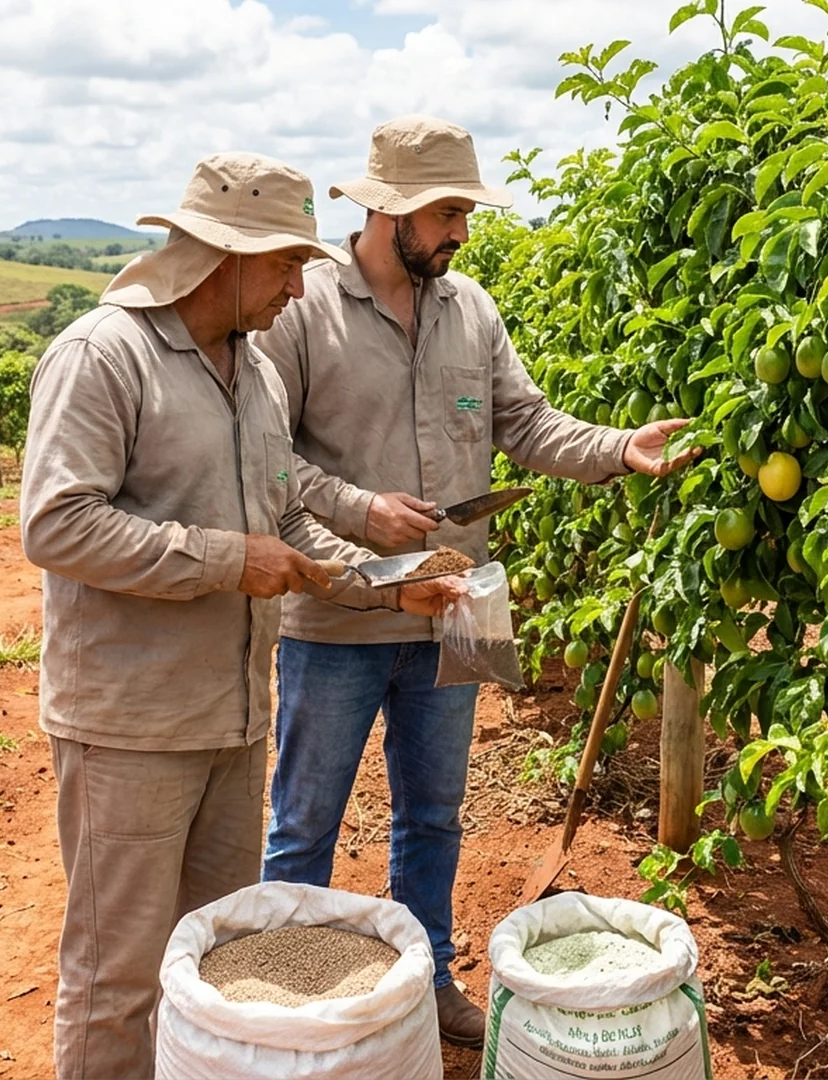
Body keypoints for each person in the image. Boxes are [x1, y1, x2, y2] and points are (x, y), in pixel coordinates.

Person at [253, 115, 694, 1048]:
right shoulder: (303, 311)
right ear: (389, 208)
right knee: (306, 822)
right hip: (338, 614)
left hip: (458, 609)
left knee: (435, 813)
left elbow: (526, 426)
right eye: (447, 211)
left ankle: (428, 981)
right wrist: (360, 510)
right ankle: (287, 1006)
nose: (460, 231)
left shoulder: (471, 308)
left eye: (463, 212)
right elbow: (267, 460)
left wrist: (621, 448)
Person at [19, 152, 460, 1080]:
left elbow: (287, 517)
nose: (301, 289)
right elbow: (57, 524)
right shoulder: (105, 355)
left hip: (234, 718)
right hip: (131, 725)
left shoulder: (253, 371)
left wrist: (384, 583)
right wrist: (227, 559)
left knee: (215, 962)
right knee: (117, 975)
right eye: (285, 266)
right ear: (220, 256)